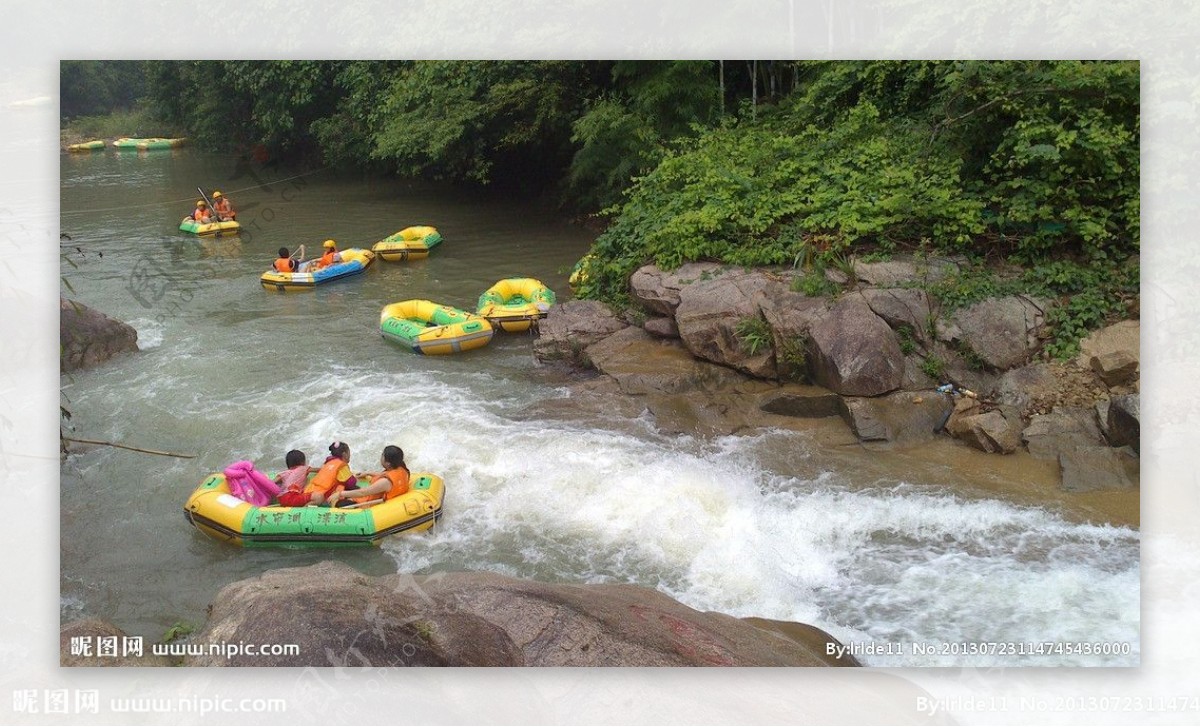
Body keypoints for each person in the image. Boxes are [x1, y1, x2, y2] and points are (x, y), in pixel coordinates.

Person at [330, 445, 410, 508]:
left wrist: (340, 494)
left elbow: (362, 493)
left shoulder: (385, 482)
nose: (381, 457)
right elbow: (387, 475)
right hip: (387, 498)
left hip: (371, 504)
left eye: (382, 455)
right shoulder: (402, 469)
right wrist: (368, 473)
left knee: (340, 504)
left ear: (388, 463)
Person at [301, 441, 357, 506]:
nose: (350, 455)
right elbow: (351, 482)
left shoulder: (327, 463)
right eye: (349, 453)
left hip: (308, 493)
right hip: (321, 498)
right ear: (344, 454)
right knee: (344, 487)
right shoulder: (341, 466)